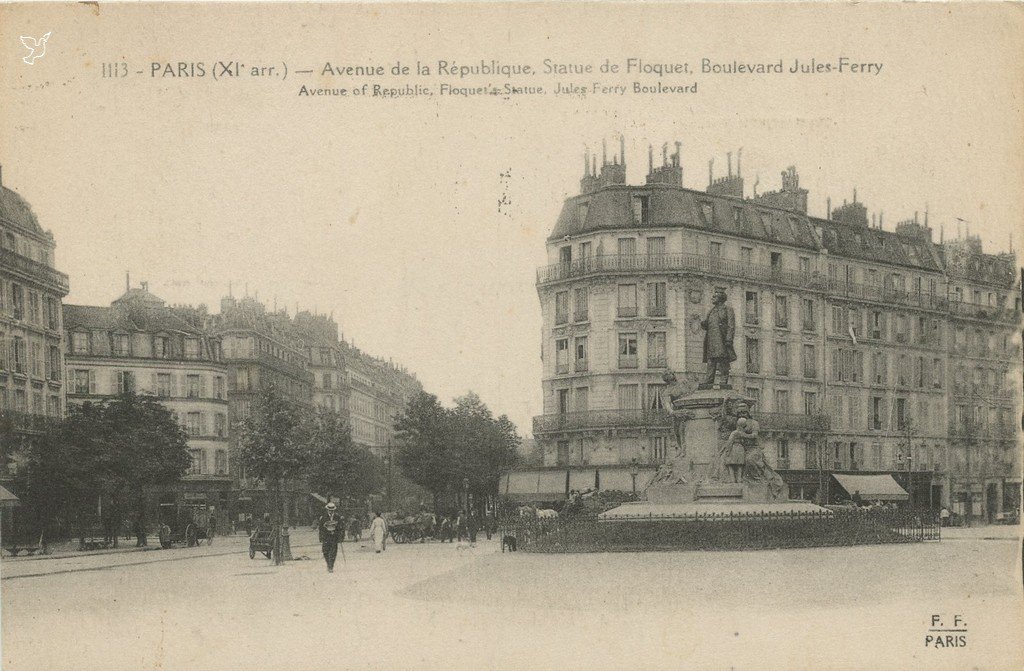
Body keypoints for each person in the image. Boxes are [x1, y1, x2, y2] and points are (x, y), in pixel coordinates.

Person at [700, 288, 736, 388]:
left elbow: (731, 325)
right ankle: (709, 380)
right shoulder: (711, 311)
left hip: (721, 338)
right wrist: (704, 324)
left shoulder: (728, 309)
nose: (712, 298)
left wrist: (729, 339)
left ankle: (724, 380)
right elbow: (708, 324)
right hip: (711, 339)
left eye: (715, 296)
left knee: (723, 359)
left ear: (721, 298)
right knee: (711, 360)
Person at [318, 502, 343, 572]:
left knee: (333, 552)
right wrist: (320, 537)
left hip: (334, 537)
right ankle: (328, 563)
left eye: (332, 510)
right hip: (326, 536)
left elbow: (341, 527)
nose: (331, 511)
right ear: (327, 510)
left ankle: (330, 566)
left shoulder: (337, 517)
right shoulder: (323, 517)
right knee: (325, 551)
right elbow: (320, 528)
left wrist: (340, 536)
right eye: (329, 510)